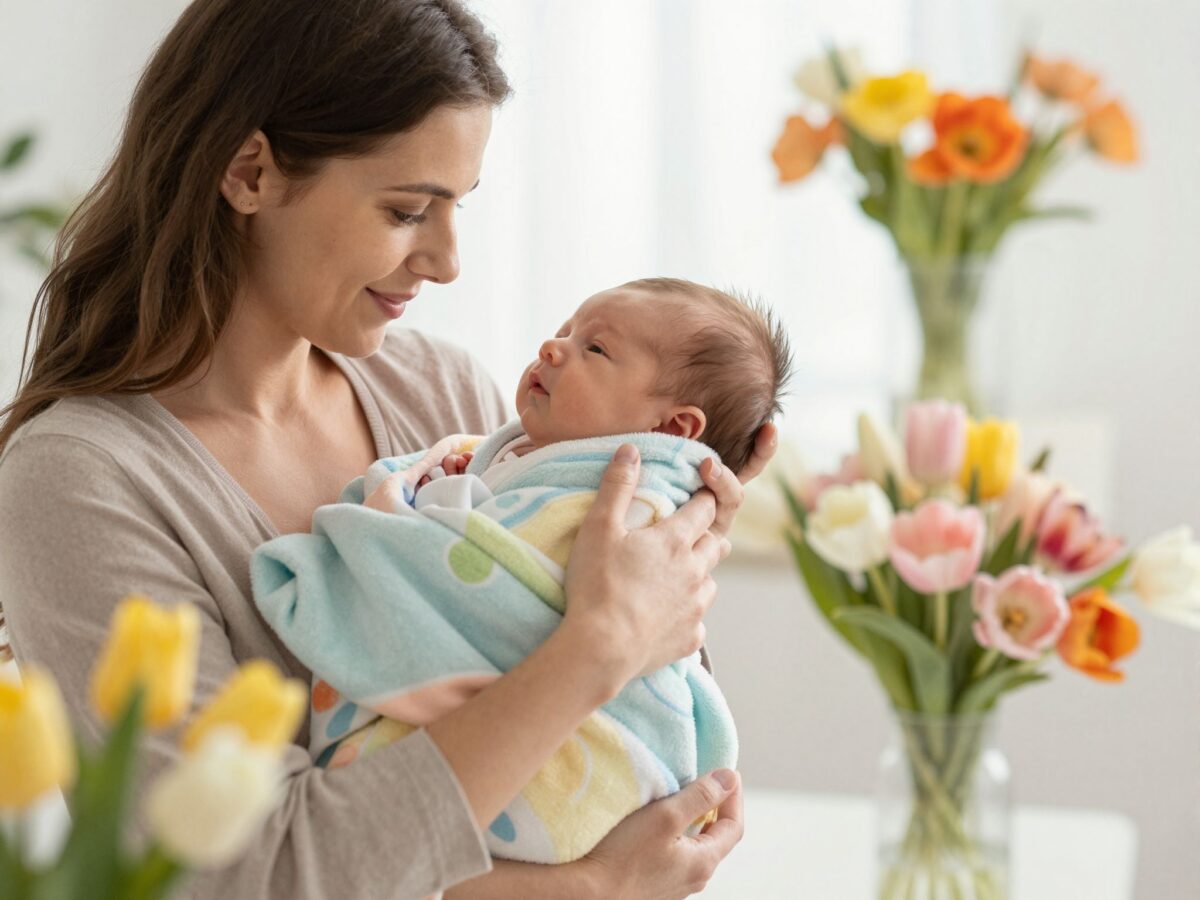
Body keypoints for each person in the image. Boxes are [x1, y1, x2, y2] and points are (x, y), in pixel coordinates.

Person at [0, 2, 775, 898]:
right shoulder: (81, 483)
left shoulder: (441, 394)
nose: (446, 260)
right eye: (409, 209)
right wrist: (589, 880)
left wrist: (678, 493)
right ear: (249, 172)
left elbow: (643, 745)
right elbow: (245, 874)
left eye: (458, 208)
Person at [252, 277, 792, 865]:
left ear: (673, 431)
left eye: (595, 349)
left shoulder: (631, 497)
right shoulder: (526, 448)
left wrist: (694, 511)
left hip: (578, 751)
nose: (553, 348)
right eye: (564, 331)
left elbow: (614, 609)